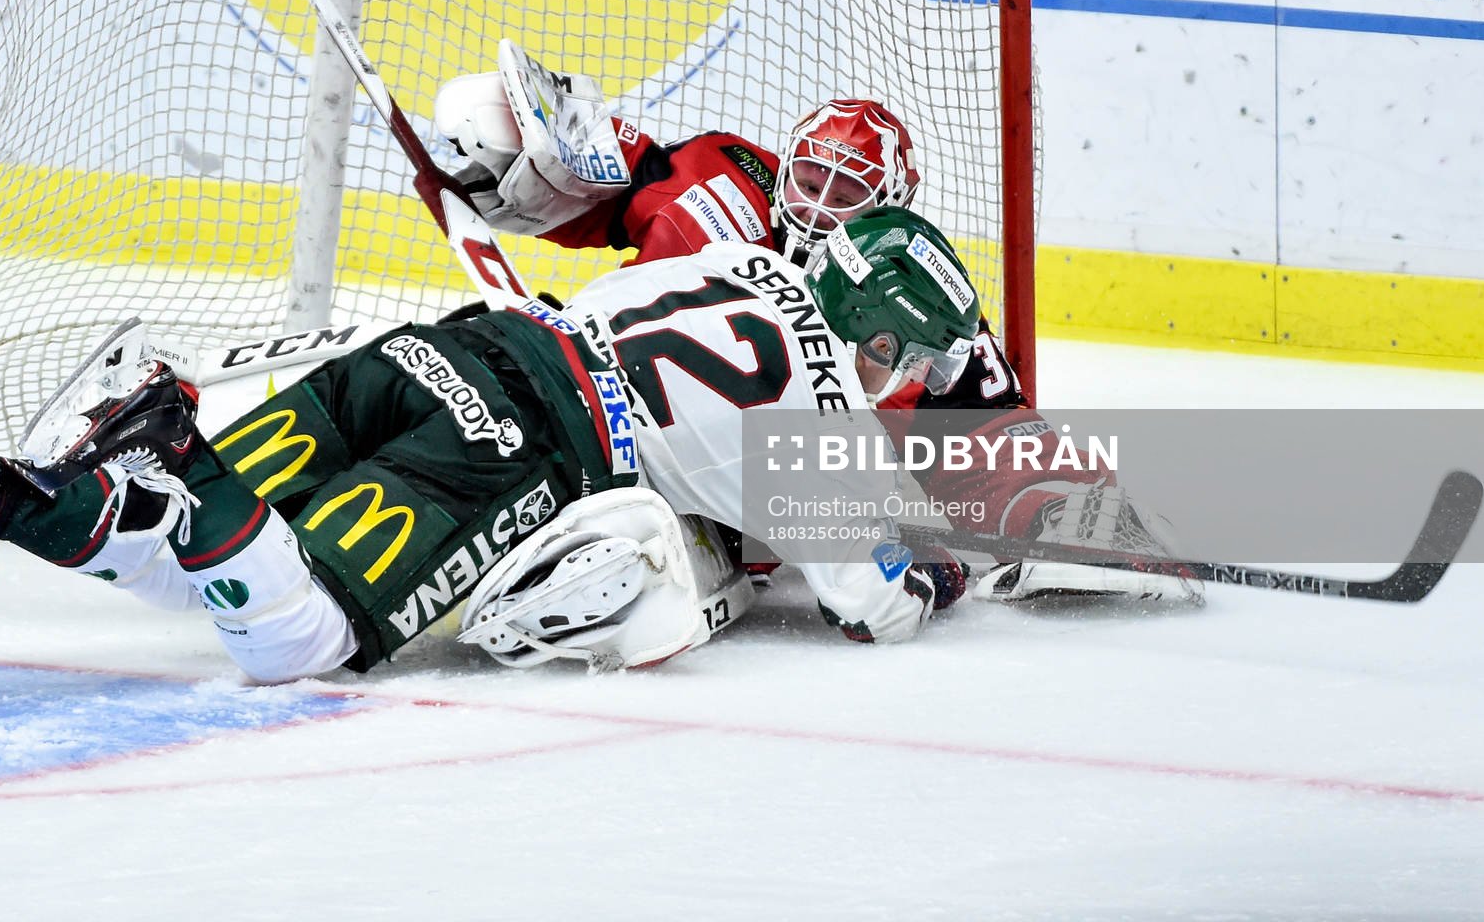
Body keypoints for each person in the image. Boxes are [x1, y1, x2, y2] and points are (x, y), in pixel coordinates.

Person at [0, 208, 986, 682]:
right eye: (913, 361)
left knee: (215, 575)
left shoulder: (736, 253)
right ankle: (176, 439)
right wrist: (931, 569)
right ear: (880, 332)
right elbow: (864, 604)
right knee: (303, 640)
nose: (907, 386)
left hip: (443, 348)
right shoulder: (826, 429)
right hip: (519, 443)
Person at [434, 40, 1197, 606]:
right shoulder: (723, 173)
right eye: (808, 176)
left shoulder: (906, 294)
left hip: (706, 494)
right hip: (578, 388)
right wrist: (524, 157)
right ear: (786, 159)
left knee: (680, 568)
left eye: (847, 192)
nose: (816, 202)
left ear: (890, 206)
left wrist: (1063, 501)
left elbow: (992, 429)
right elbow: (601, 176)